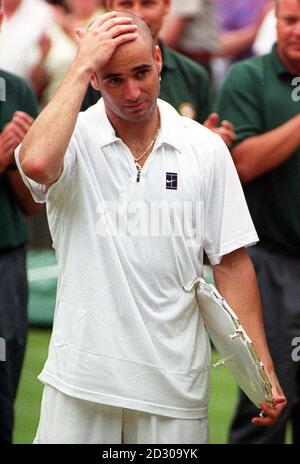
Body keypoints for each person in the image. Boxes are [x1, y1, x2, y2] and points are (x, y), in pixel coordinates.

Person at [16, 11, 286, 444]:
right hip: (81, 381)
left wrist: (262, 368)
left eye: (141, 72)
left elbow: (232, 262)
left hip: (176, 385)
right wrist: (81, 62)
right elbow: (35, 164)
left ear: (159, 59)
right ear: (93, 80)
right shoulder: (71, 137)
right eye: (114, 79)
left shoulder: (204, 148)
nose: (133, 92)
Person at [217, 0, 300, 444]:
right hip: (269, 260)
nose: (297, 30)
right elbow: (243, 162)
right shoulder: (248, 77)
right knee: (268, 398)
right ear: (275, 22)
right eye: (289, 20)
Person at [82, 0, 236, 147]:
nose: (138, 13)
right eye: (126, 4)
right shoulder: (91, 72)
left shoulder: (193, 75)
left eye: (148, 3)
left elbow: (207, 136)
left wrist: (208, 140)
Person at [0, 1, 41, 443]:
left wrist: (20, 159)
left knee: (2, 386)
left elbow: (32, 205)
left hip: (6, 261)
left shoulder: (16, 91)